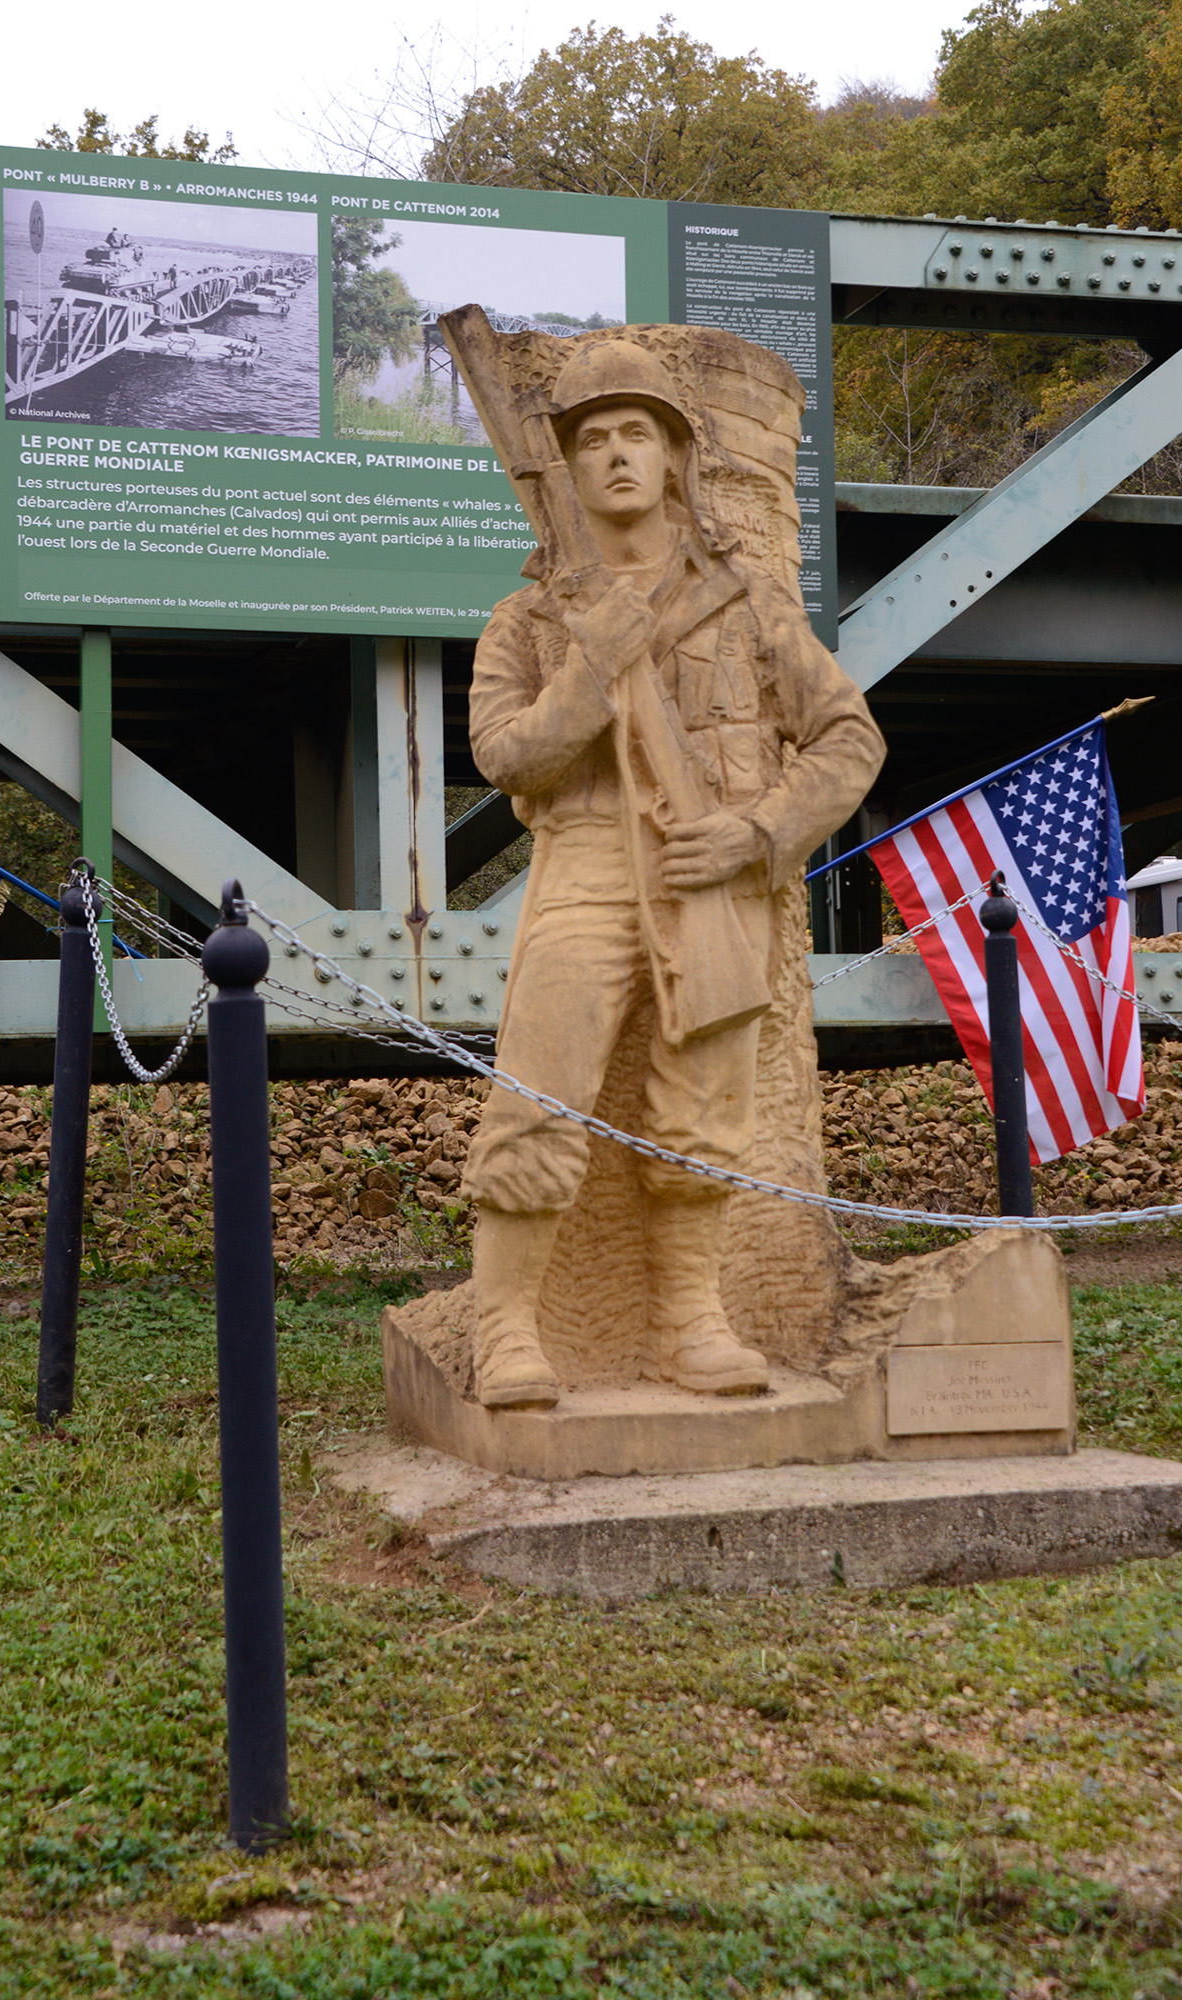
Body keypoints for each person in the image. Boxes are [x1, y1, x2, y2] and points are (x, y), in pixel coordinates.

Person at [463, 338, 885, 1408]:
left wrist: (757, 833)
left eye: (634, 434)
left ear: (673, 458)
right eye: (590, 438)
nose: (613, 456)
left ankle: (688, 1319)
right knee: (541, 1084)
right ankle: (506, 1326)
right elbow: (504, 753)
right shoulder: (531, 616)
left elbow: (847, 738)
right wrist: (591, 669)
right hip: (589, 858)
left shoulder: (745, 607)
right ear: (563, 466)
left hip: (713, 871)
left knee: (703, 1102)